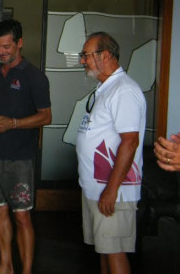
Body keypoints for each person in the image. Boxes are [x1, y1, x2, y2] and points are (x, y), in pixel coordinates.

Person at [0, 19, 51, 274]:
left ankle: (27, 270)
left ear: (20, 43)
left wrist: (13, 123)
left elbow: (46, 116)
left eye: (7, 46)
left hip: (21, 160)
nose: (1, 52)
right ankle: (6, 265)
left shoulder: (35, 77)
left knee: (22, 217)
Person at [76, 32, 146, 274]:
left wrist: (112, 189)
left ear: (104, 55)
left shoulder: (124, 90)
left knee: (114, 252)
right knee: (104, 251)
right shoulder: (105, 87)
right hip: (97, 187)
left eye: (86, 55)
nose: (82, 61)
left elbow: (130, 142)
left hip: (113, 191)